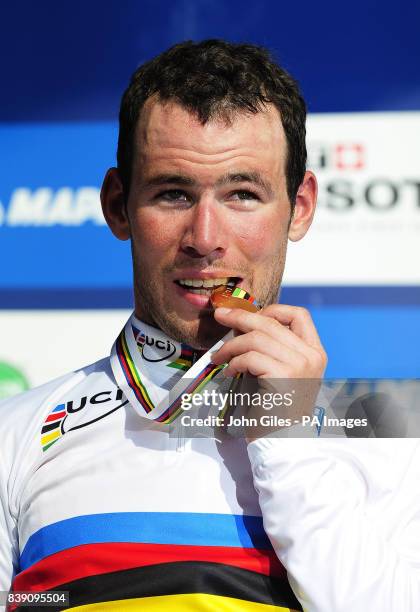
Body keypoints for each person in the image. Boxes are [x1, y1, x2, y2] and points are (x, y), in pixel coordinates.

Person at [0, 39, 419, 612]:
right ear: (118, 206)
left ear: (299, 208)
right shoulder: (14, 435)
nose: (204, 238)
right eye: (173, 193)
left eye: (242, 194)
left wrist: (283, 436)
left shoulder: (390, 440)